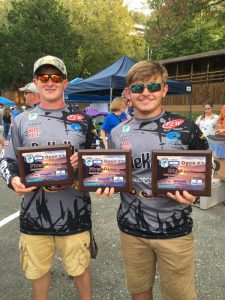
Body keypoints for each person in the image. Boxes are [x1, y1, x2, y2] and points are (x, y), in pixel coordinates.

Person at [97, 60, 209, 300]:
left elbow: (205, 168)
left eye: (153, 87)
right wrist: (106, 184)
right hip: (132, 230)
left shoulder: (186, 128)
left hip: (174, 229)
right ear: (128, 94)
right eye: (138, 88)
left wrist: (195, 193)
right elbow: (116, 173)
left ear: (164, 89)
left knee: (180, 295)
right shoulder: (117, 134)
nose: (146, 93)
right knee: (139, 292)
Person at [0, 55, 94, 300]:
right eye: (44, 77)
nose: (50, 82)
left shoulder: (83, 120)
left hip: (75, 212)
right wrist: (13, 180)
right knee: (38, 273)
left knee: (81, 269)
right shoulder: (20, 121)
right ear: (36, 82)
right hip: (34, 214)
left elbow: (98, 161)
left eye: (56, 77)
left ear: (65, 83)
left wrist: (83, 162)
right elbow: (7, 161)